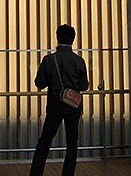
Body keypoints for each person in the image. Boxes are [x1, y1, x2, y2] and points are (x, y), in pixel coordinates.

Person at [30, 24, 89, 176]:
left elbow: (39, 83)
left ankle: (36, 173)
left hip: (55, 107)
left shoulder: (49, 60)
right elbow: (84, 86)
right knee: (72, 144)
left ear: (57, 37)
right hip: (73, 107)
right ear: (73, 39)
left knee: (45, 142)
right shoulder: (78, 61)